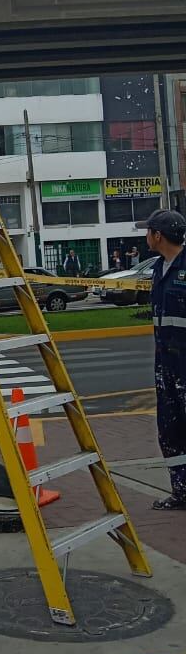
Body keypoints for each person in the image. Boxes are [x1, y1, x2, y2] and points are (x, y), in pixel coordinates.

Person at [137, 210, 186, 511]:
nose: (146, 236)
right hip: (165, 365)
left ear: (158, 235)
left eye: (148, 231)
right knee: (169, 430)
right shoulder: (159, 268)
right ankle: (182, 491)